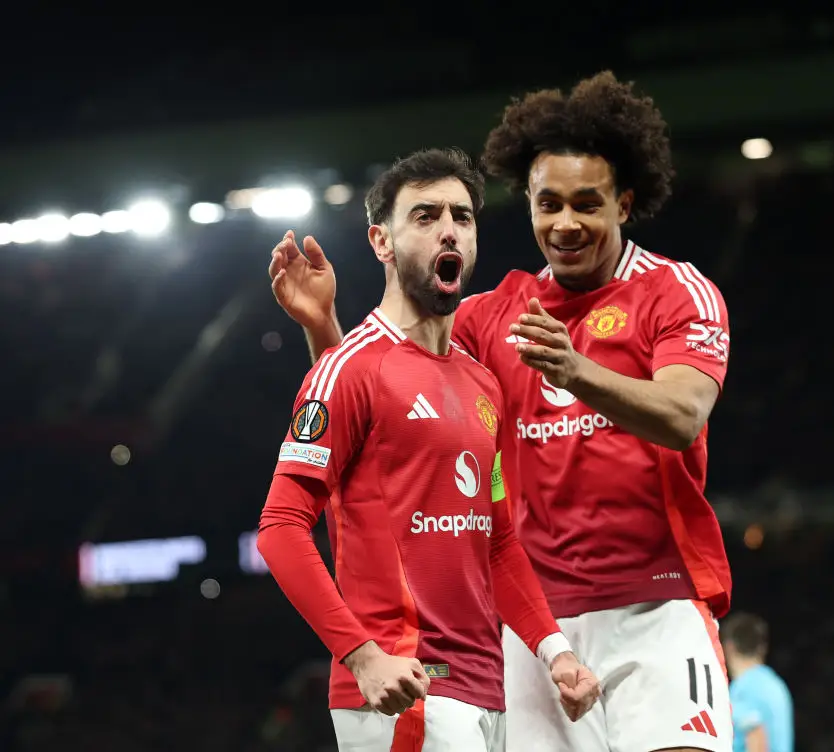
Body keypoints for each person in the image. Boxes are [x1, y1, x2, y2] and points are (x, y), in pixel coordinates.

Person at [269, 72, 734, 752]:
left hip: (654, 605)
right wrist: (324, 329)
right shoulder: (495, 314)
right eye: (548, 204)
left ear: (624, 204)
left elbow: (684, 413)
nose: (565, 223)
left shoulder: (674, 292)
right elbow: (387, 390)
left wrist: (574, 370)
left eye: (587, 203)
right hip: (531, 629)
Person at [257, 147, 600, 752]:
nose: (449, 229)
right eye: (425, 216)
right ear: (381, 242)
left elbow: (496, 542)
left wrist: (556, 651)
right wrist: (362, 657)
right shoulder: (350, 368)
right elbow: (281, 528)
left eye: (462, 217)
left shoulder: (482, 382)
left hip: (485, 692)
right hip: (406, 687)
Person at [722, 613, 793, 752]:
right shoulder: (777, 685)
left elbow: (755, 736)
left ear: (728, 646)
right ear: (762, 647)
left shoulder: (744, 688)